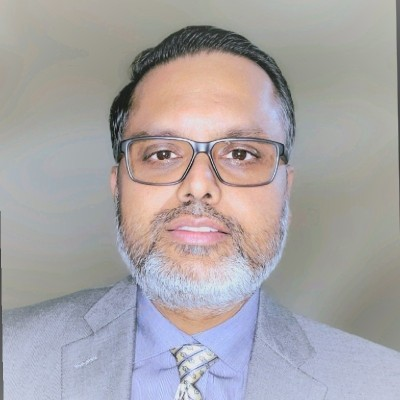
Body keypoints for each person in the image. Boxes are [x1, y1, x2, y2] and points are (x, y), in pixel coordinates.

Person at [3, 25, 399, 400]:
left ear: (286, 190)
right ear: (117, 185)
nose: (198, 185)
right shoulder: (11, 358)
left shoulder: (383, 384)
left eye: (240, 154)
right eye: (162, 154)